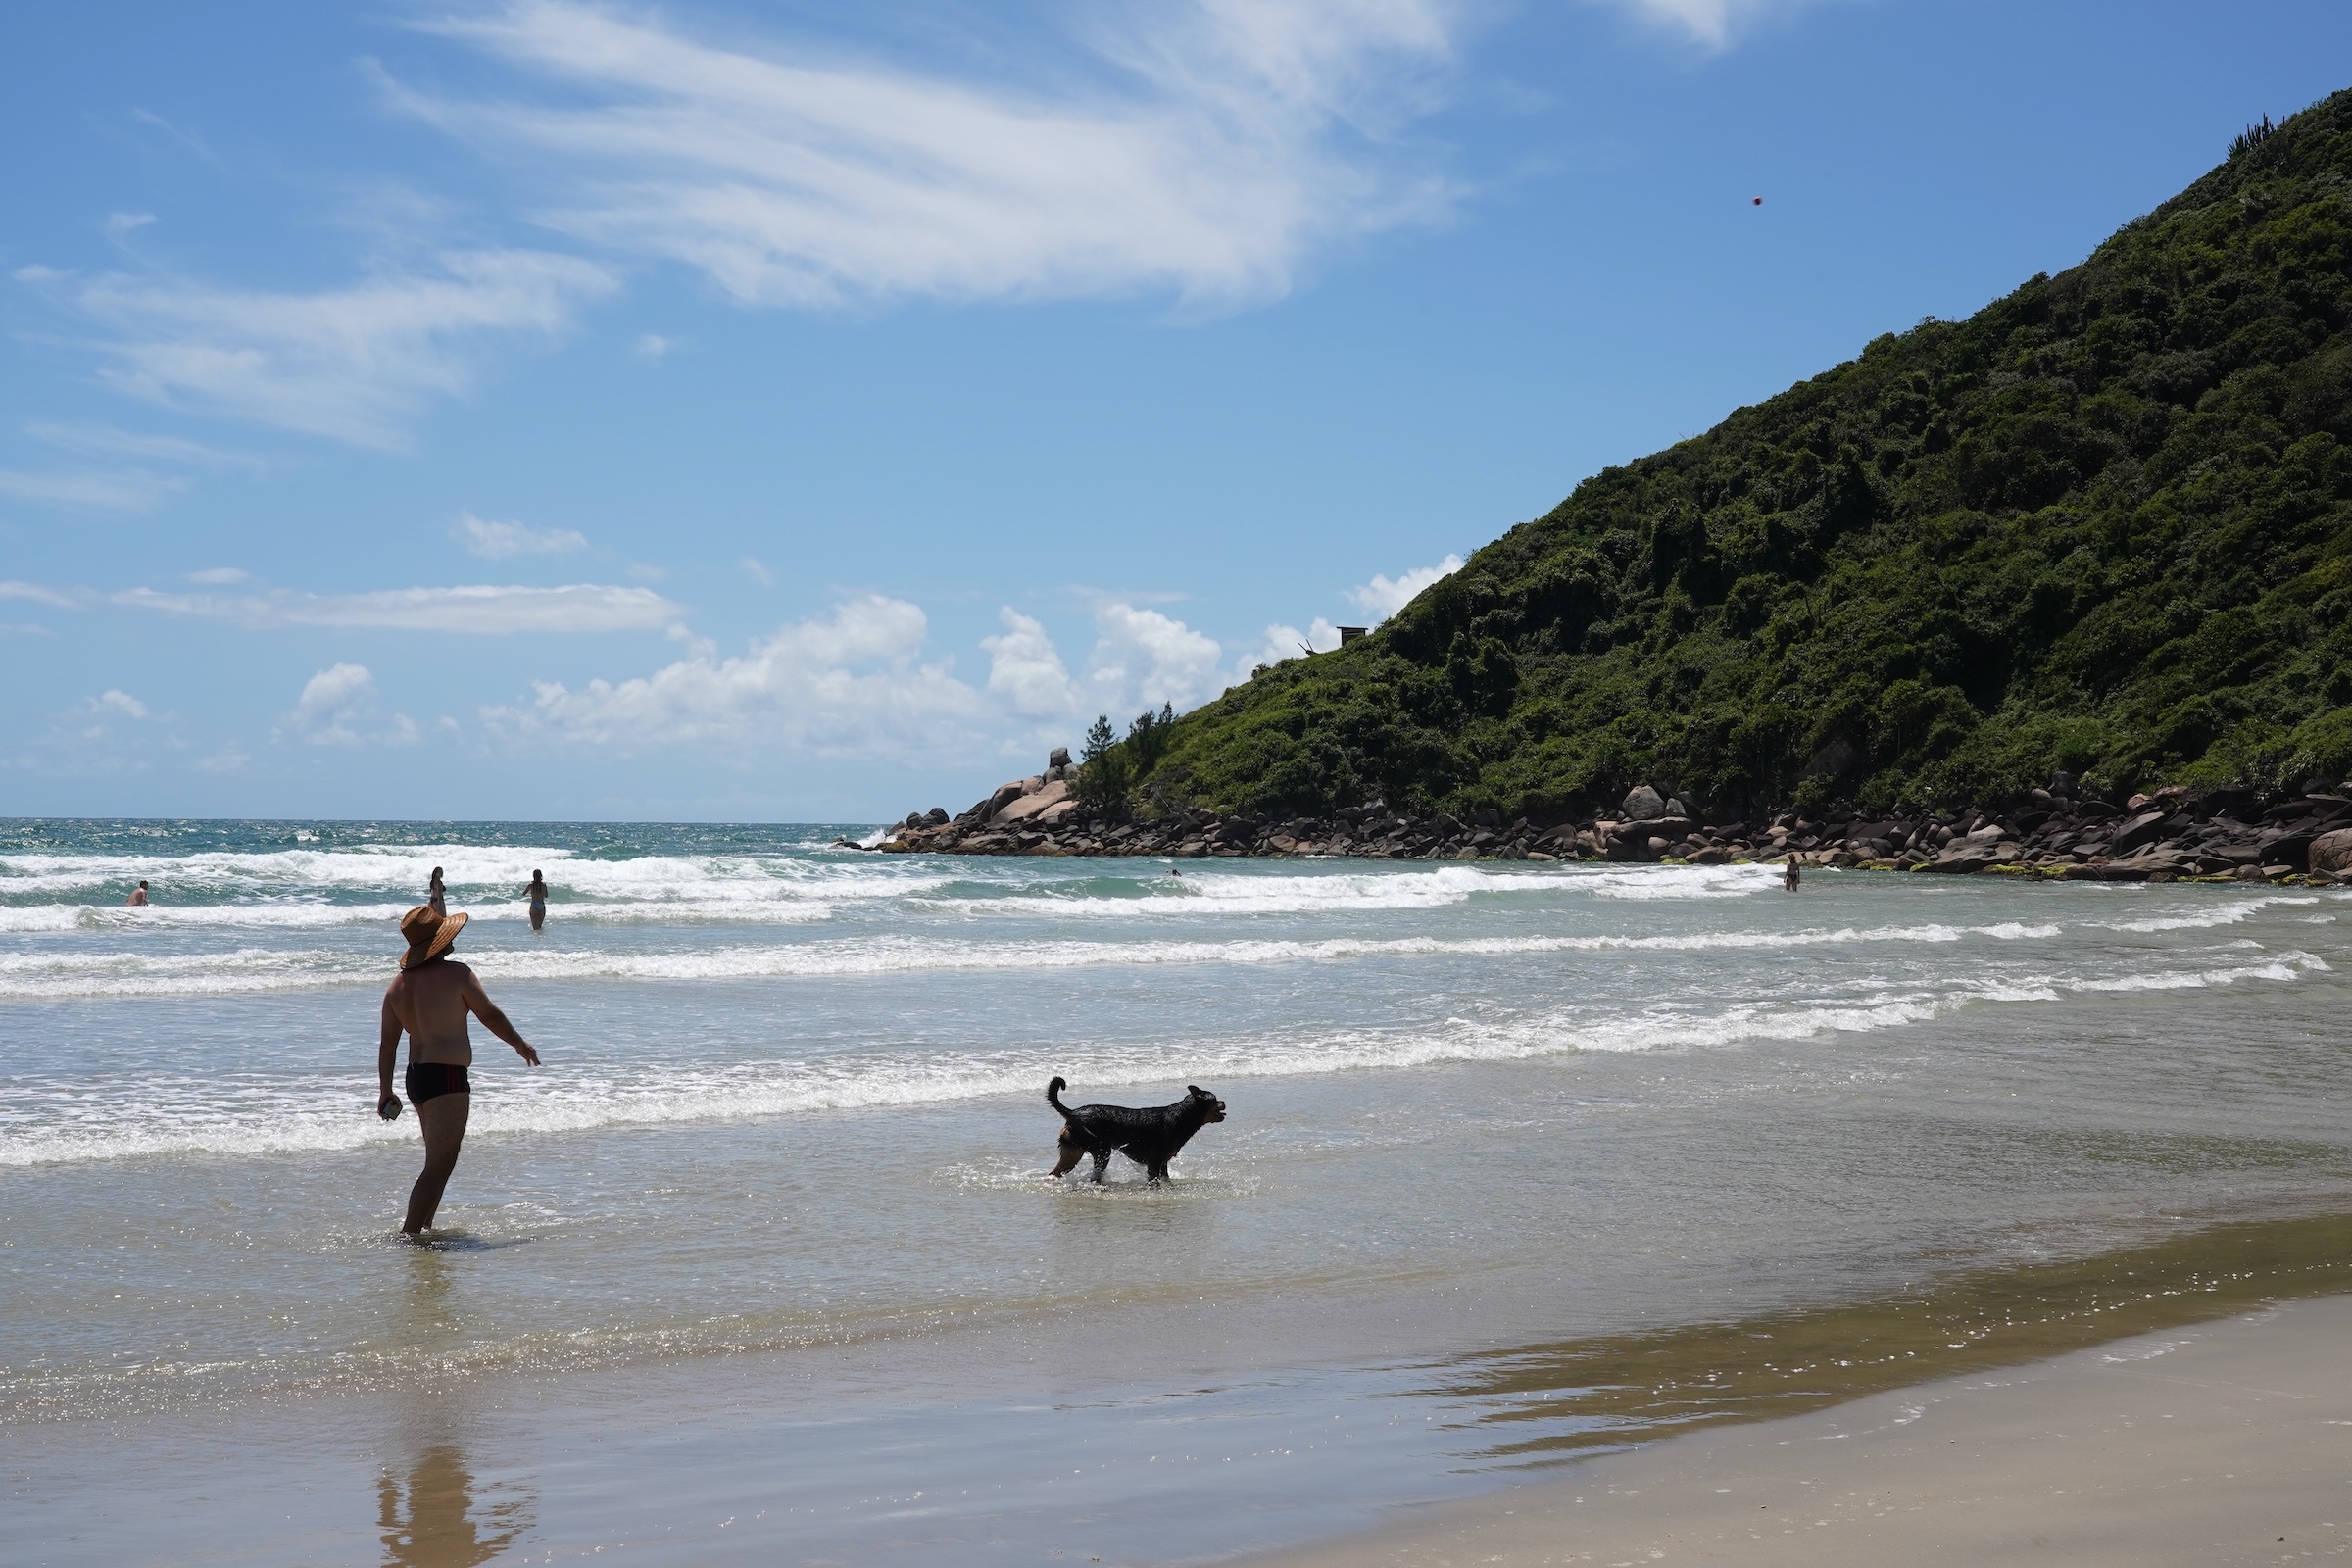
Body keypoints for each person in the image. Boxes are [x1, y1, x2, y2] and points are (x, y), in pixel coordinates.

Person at [376, 906, 540, 1237]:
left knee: (439, 1160)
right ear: (438, 942)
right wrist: (520, 1045)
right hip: (447, 1077)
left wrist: (385, 1090)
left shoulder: (398, 986)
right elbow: (489, 1015)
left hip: (416, 1077)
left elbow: (388, 1045)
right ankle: (410, 1236)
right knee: (439, 1164)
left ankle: (424, 1226)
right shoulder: (457, 974)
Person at [526, 869, 548, 933]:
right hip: (541, 905)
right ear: (541, 876)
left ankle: (535, 941)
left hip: (534, 905)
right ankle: (540, 941)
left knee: (535, 928)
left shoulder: (531, 885)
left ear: (533, 876)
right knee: (539, 927)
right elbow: (546, 895)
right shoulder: (543, 885)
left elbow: (523, 893)